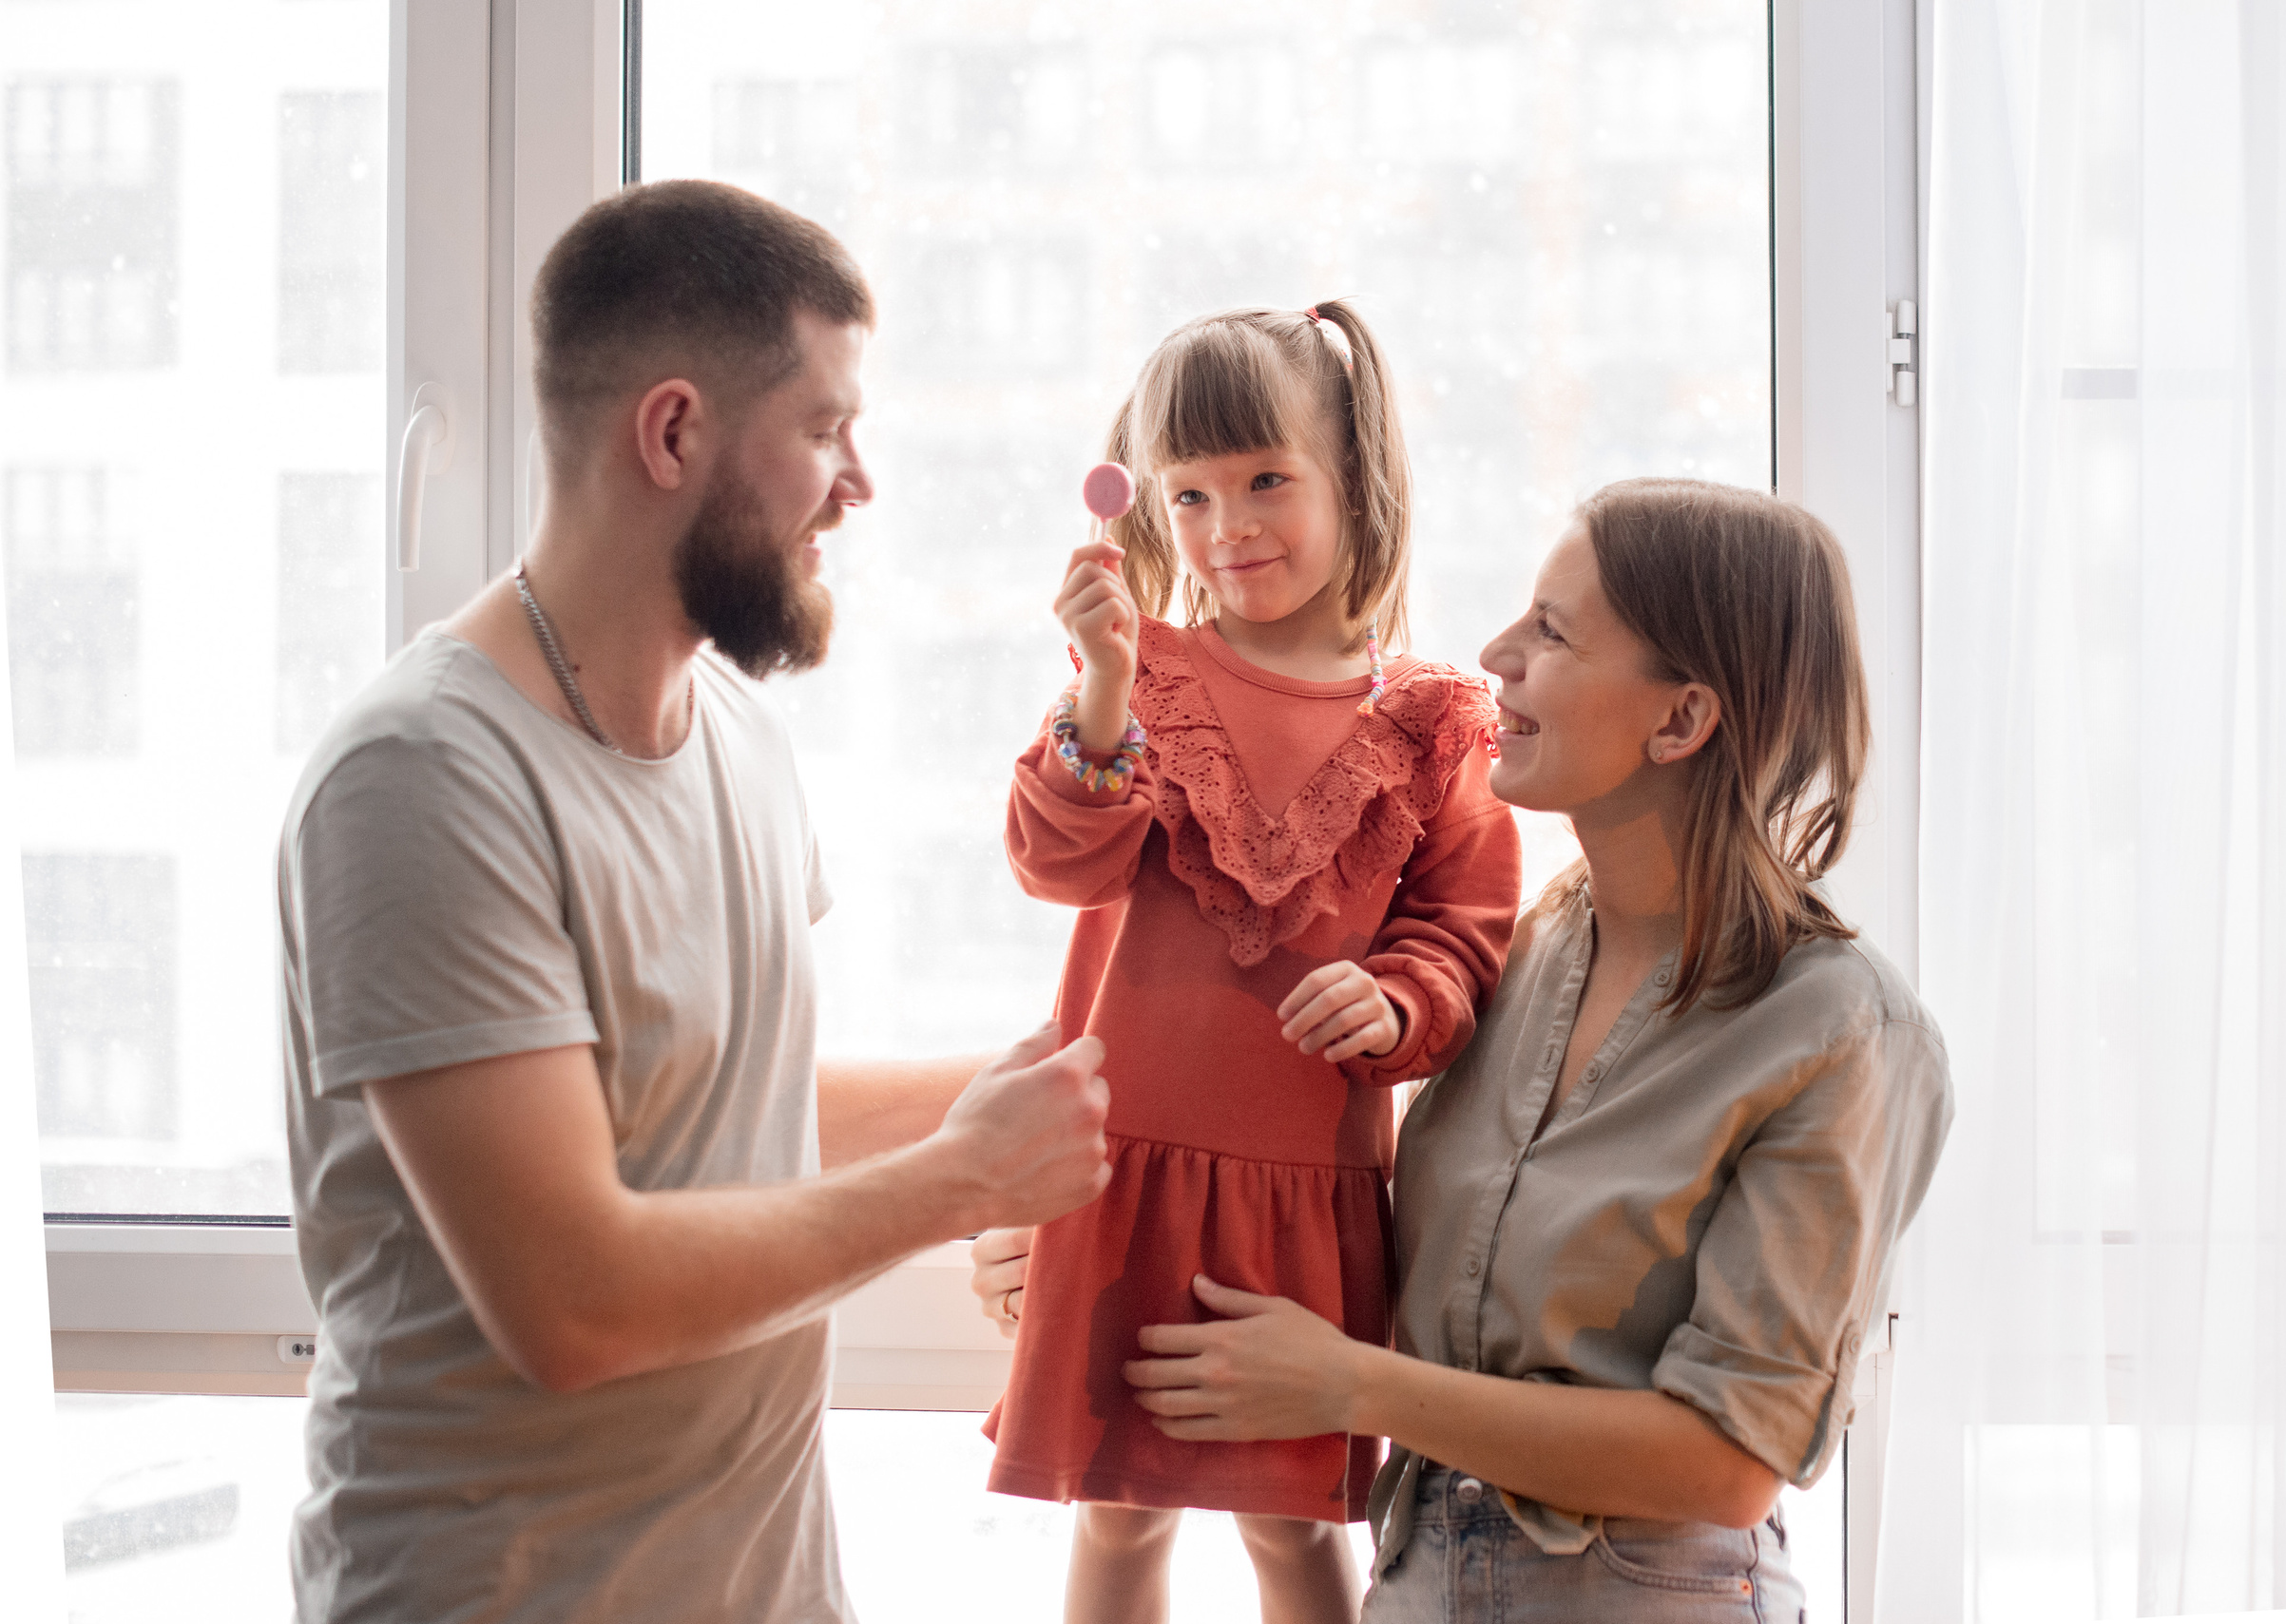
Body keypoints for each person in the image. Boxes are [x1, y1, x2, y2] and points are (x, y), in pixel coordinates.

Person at [279, 180, 1112, 1624]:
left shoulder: (739, 734)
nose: (859, 484)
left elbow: (728, 1115)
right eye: (824, 429)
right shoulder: (421, 778)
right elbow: (576, 1301)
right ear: (671, 433)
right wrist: (965, 1177)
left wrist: (1043, 1073)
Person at [977, 478, 1953, 1617]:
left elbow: (1729, 1461)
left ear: (1681, 719)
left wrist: (1351, 1384)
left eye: (1552, 632)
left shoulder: (1839, 1032)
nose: (1495, 653)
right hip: (1421, 1580)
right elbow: (1236, 1096)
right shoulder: (1521, 958)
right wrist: (1058, 1226)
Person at [986, 303, 1524, 1623]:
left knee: (1291, 1526)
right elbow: (1058, 861)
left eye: (1268, 479)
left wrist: (1393, 1001)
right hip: (1115, 1176)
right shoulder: (1140, 679)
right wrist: (1102, 686)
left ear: (1356, 477)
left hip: (1303, 1196)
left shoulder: (1429, 727)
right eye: (1191, 494)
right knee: (1116, 1513)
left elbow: (1464, 937)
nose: (1229, 526)